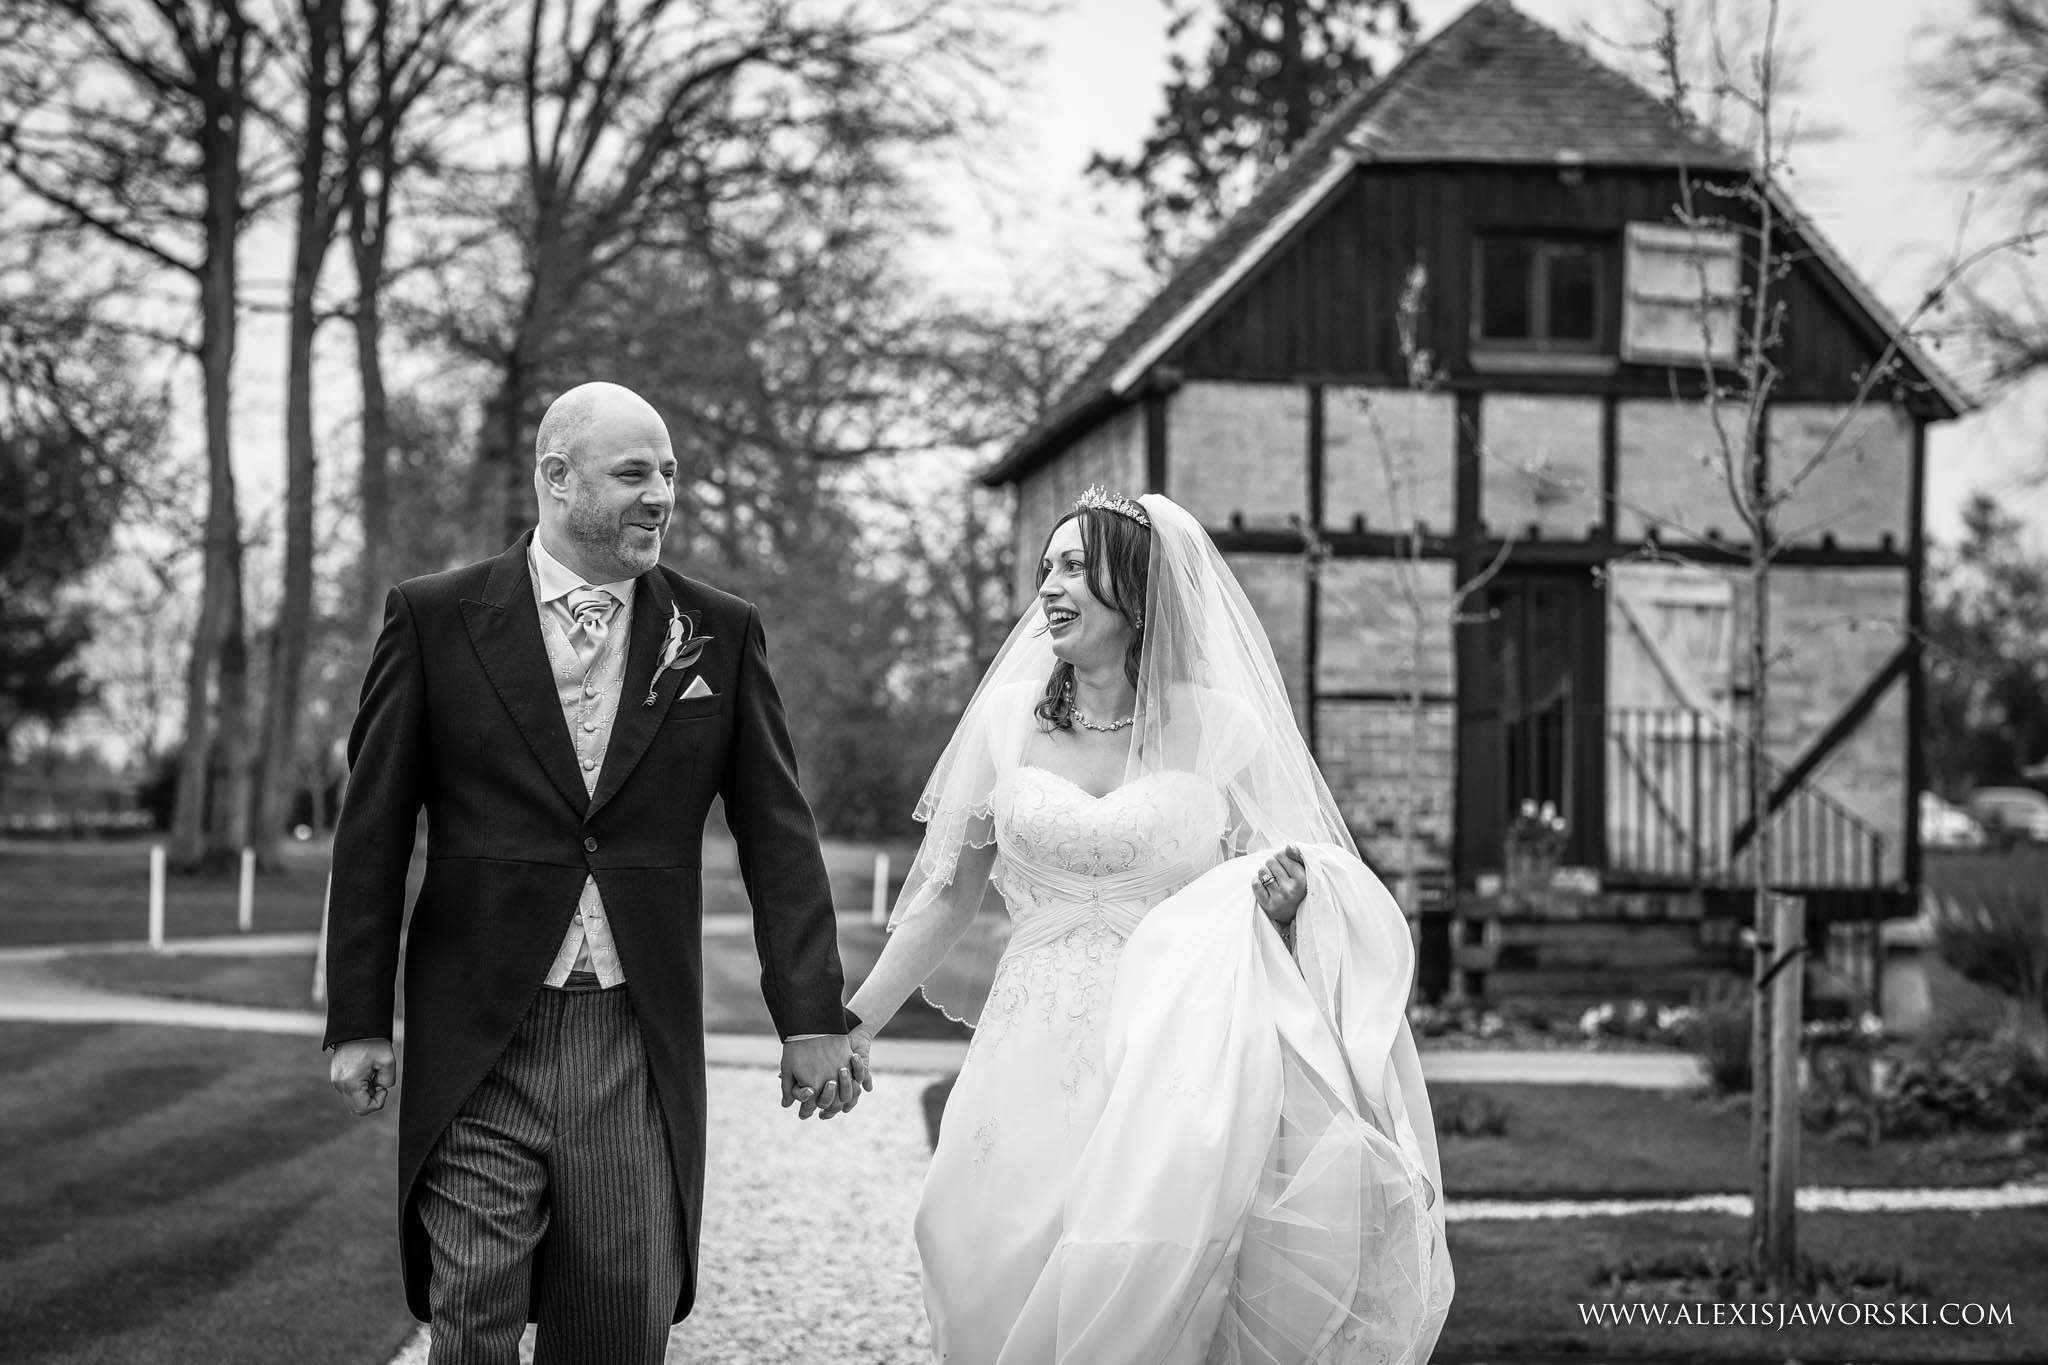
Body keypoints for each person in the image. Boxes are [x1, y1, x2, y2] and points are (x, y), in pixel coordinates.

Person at [323, 380, 865, 1364]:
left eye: (667, 473)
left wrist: (813, 1014)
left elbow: (778, 837)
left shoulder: (718, 633)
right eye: (632, 474)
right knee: (472, 1314)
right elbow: (371, 835)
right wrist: (359, 1016)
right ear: (556, 478)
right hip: (480, 1036)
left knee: (616, 1322)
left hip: (631, 1039)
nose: (659, 493)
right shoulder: (434, 619)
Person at [847, 487, 1452, 1363]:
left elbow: (1291, 882)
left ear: (1132, 592)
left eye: (1070, 568)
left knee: (1149, 1266)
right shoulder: (1005, 719)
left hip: (1172, 1039)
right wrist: (854, 1019)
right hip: (1032, 1037)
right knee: (979, 1247)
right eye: (1044, 568)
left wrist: (1282, 906)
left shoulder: (1222, 727)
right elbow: (945, 895)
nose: (1047, 588)